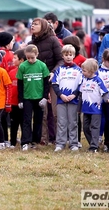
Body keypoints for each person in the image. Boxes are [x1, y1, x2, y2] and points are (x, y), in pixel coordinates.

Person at [29, 17, 63, 146]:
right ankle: (43, 138)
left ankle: (58, 139)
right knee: (42, 111)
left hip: (53, 78)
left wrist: (54, 71)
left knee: (55, 111)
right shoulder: (32, 42)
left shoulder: (53, 40)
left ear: (43, 26)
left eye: (36, 24)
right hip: (38, 80)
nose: (32, 26)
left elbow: (60, 60)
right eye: (32, 24)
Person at [17, 44, 50, 151]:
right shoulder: (23, 66)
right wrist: (20, 100)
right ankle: (25, 141)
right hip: (27, 98)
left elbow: (46, 83)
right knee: (26, 120)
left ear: (37, 55)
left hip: (39, 98)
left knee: (38, 120)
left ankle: (34, 141)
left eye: (32, 57)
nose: (30, 60)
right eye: (28, 58)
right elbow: (20, 84)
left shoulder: (42, 66)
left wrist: (45, 97)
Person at [52, 44, 82, 152]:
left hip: (73, 100)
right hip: (61, 100)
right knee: (61, 122)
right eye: (66, 54)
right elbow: (55, 84)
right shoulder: (59, 70)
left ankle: (73, 143)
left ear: (74, 55)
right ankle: (60, 143)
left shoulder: (79, 70)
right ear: (62, 56)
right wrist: (61, 95)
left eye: (70, 54)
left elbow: (81, 84)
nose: (68, 57)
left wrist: (74, 95)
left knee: (73, 122)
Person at [80, 58, 109, 153]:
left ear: (91, 71)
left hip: (96, 109)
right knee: (85, 127)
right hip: (86, 109)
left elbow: (104, 92)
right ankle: (93, 143)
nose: (82, 72)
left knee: (95, 127)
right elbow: (80, 93)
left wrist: (107, 99)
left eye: (84, 70)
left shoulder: (98, 80)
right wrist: (78, 107)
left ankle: (94, 146)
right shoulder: (84, 80)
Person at [8, 49, 25, 148]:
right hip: (13, 102)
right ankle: (12, 142)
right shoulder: (11, 72)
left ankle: (24, 141)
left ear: (21, 60)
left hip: (23, 101)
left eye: (15, 58)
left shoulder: (25, 71)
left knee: (24, 123)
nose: (13, 60)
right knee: (13, 123)